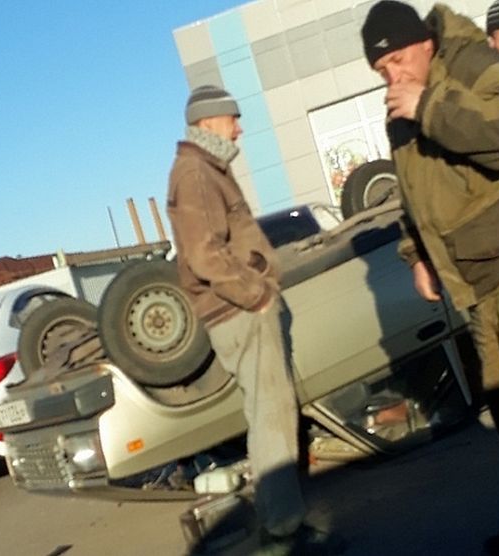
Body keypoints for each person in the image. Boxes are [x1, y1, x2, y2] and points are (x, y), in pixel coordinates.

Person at [166, 85, 344, 555]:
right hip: (240, 313)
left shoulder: (204, 169)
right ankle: (283, 534)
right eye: (233, 118)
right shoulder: (196, 172)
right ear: (208, 123)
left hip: (240, 310)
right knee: (272, 419)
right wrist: (257, 295)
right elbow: (205, 254)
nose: (239, 127)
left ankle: (280, 526)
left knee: (273, 416)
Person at [360, 1, 499, 437]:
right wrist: (416, 254)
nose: (393, 76)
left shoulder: (471, 63)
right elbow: (411, 189)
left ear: (425, 43)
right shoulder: (401, 106)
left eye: (398, 60)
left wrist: (428, 106)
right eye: (382, 69)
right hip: (470, 281)